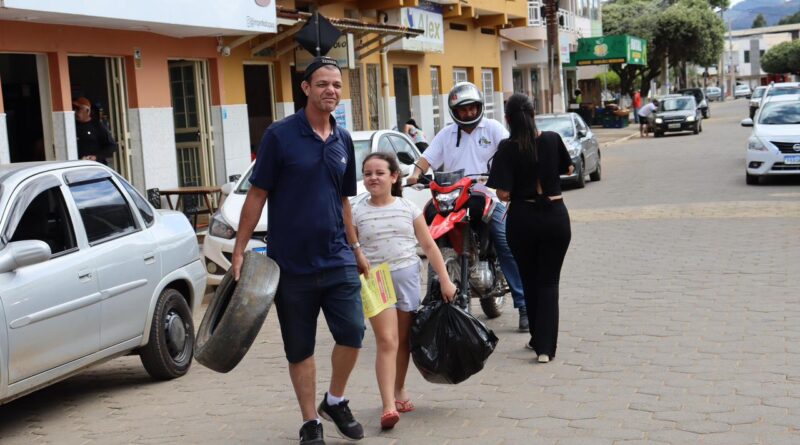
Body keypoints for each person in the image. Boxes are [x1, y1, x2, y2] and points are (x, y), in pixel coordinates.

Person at [230, 56, 368, 445]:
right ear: (305, 88)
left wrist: (355, 247)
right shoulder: (280, 135)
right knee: (299, 347)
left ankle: (335, 400)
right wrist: (240, 251)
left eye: (337, 85)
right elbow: (257, 195)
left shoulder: (343, 140)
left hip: (338, 256)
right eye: (323, 84)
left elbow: (344, 201)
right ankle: (311, 421)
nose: (331, 91)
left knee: (353, 333)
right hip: (290, 265)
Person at [406, 81, 528, 331]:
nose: (469, 113)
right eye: (463, 109)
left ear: (479, 107)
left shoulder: (492, 128)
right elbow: (427, 159)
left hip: (488, 195)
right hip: (453, 196)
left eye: (472, 108)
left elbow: (511, 153)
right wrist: (415, 174)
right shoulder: (447, 134)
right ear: (455, 111)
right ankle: (433, 302)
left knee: (504, 240)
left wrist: (509, 176)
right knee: (426, 221)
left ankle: (524, 304)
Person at [353, 152, 457, 430]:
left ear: (394, 177)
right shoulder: (356, 211)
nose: (373, 178)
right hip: (376, 280)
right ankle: (388, 405)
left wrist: (445, 280)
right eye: (367, 173)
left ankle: (399, 389)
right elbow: (349, 247)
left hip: (407, 275)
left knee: (403, 341)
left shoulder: (408, 208)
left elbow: (430, 246)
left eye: (379, 173)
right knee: (387, 341)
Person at [486, 93, 573, 364]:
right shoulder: (552, 139)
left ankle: (538, 337)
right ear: (533, 114)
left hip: (522, 218)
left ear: (508, 119)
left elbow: (502, 193)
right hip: (555, 215)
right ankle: (545, 347)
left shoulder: (507, 148)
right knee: (549, 281)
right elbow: (568, 168)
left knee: (529, 278)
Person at [73, 97, 117, 165]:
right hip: (77, 165)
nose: (75, 112)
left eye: (78, 109)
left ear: (87, 111)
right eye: (74, 108)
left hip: (94, 166)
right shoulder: (72, 126)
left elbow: (112, 146)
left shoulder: (97, 126)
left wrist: (96, 157)